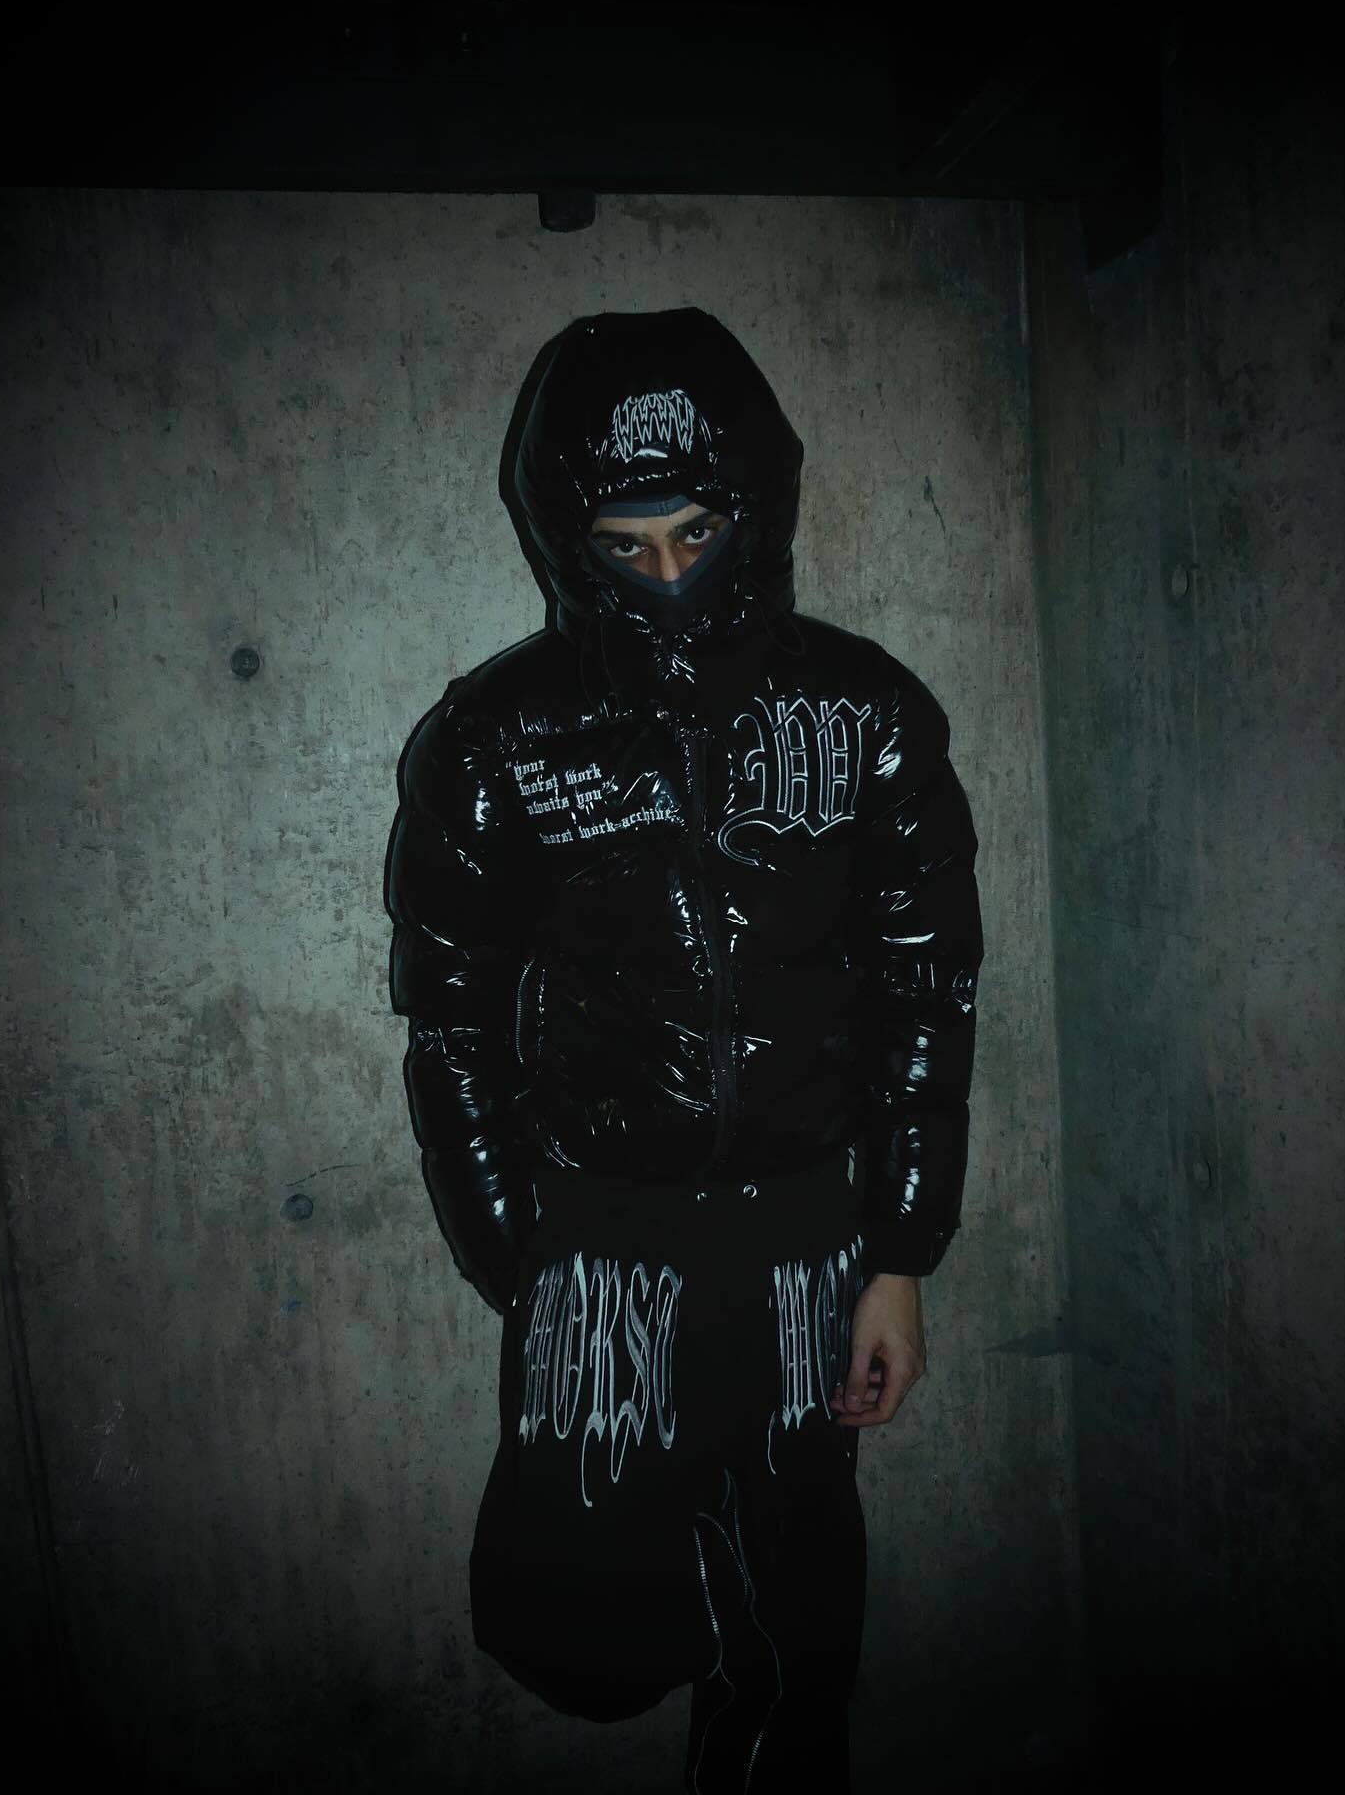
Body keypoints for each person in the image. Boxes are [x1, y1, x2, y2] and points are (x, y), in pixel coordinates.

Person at [383, 306, 984, 1792]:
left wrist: (900, 1254)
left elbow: (926, 994)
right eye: (625, 542)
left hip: (806, 1241)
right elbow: (450, 1016)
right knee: (586, 1634)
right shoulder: (495, 736)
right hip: (602, 1239)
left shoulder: (867, 714)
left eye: (697, 531)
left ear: (754, 511)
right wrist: (521, 1254)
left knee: (797, 1615)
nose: (666, 574)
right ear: (567, 537)